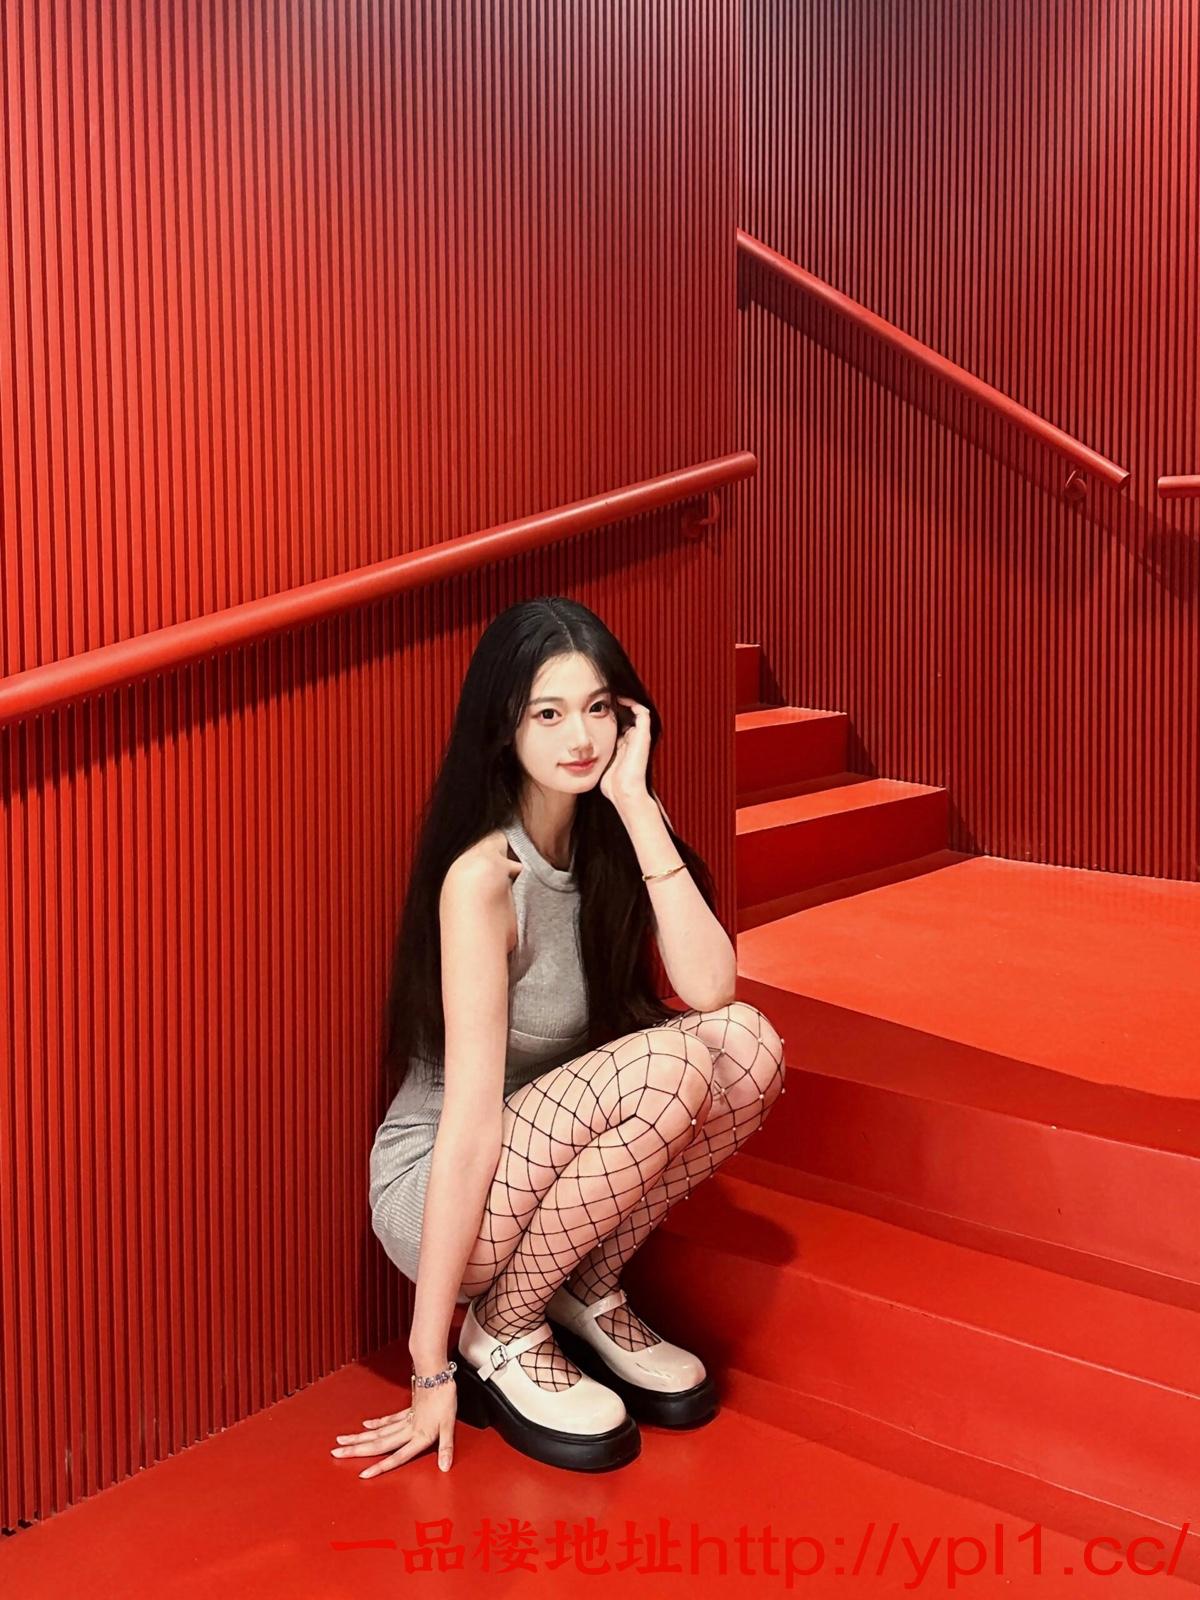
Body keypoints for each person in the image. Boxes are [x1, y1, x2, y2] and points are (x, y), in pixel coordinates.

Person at [331, 596, 786, 1477]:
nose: (580, 737)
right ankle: (499, 1327)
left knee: (748, 1046)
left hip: (544, 1166)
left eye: (598, 708)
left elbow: (712, 989)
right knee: (672, 1061)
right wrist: (429, 1365)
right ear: (505, 727)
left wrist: (637, 803)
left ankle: (582, 1285)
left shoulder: (608, 834)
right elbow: (469, 1127)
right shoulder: (484, 878)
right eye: (548, 713)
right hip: (442, 1189)